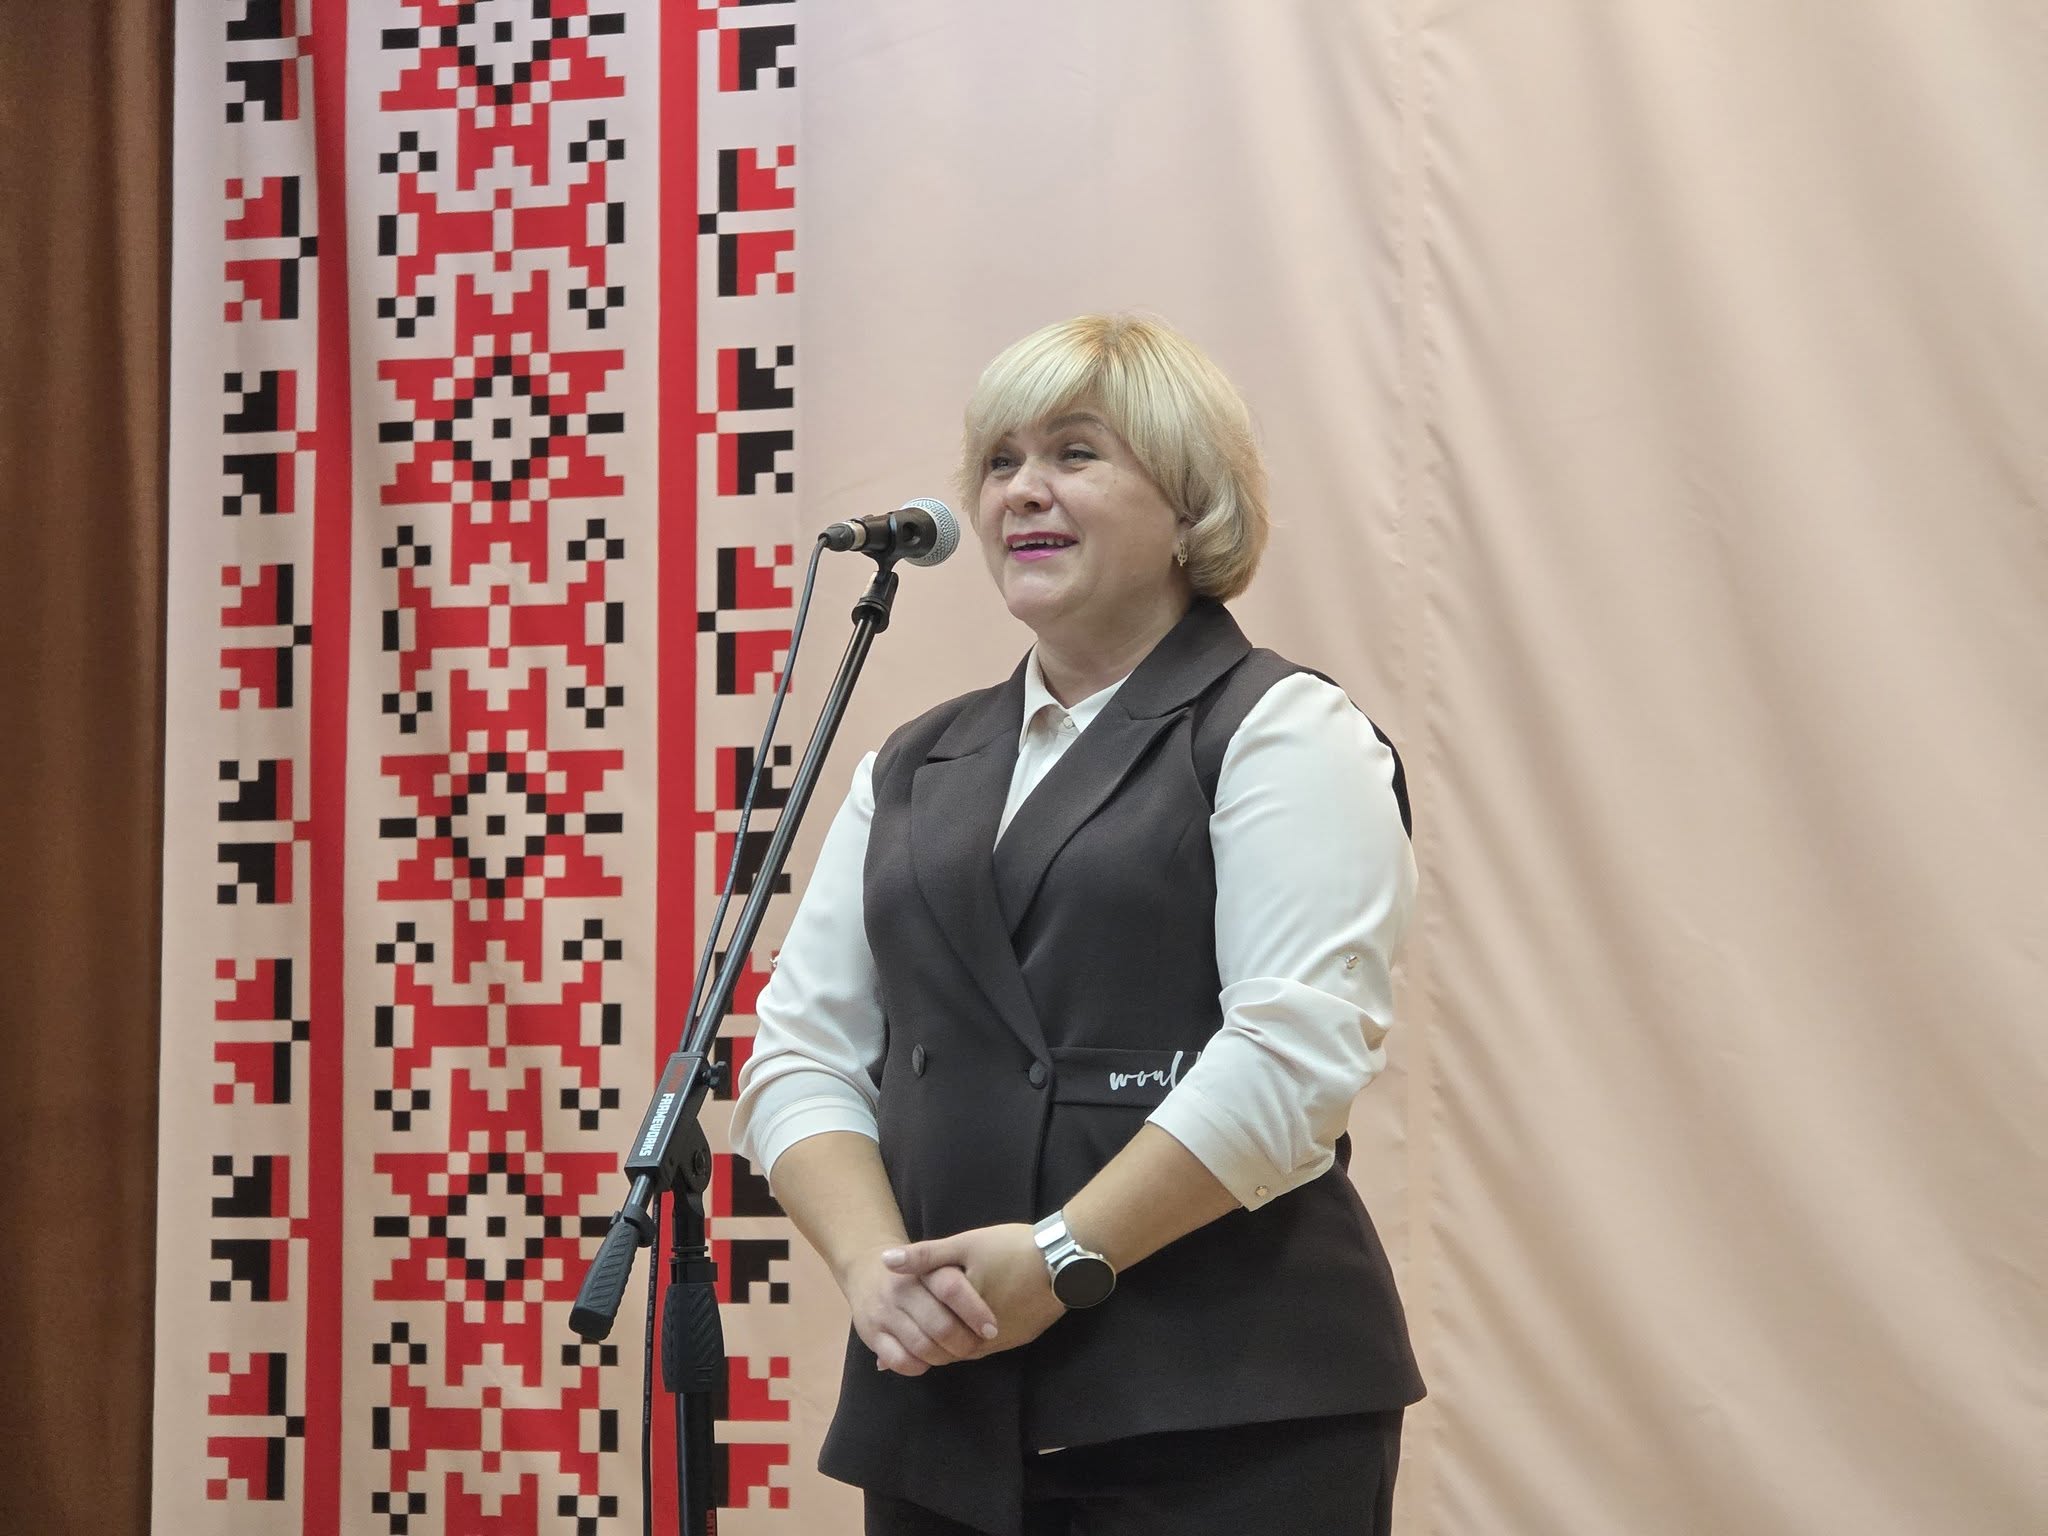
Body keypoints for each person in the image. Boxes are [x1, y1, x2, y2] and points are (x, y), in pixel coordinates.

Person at [731, 313, 1423, 1535]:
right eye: (999, 461)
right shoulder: (910, 765)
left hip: (1223, 1411)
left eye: (1074, 453)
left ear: (1191, 502)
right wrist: (872, 1274)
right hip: (943, 1405)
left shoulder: (1282, 731)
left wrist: (1061, 1258)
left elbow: (1292, 1055)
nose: (1020, 491)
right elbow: (799, 1053)